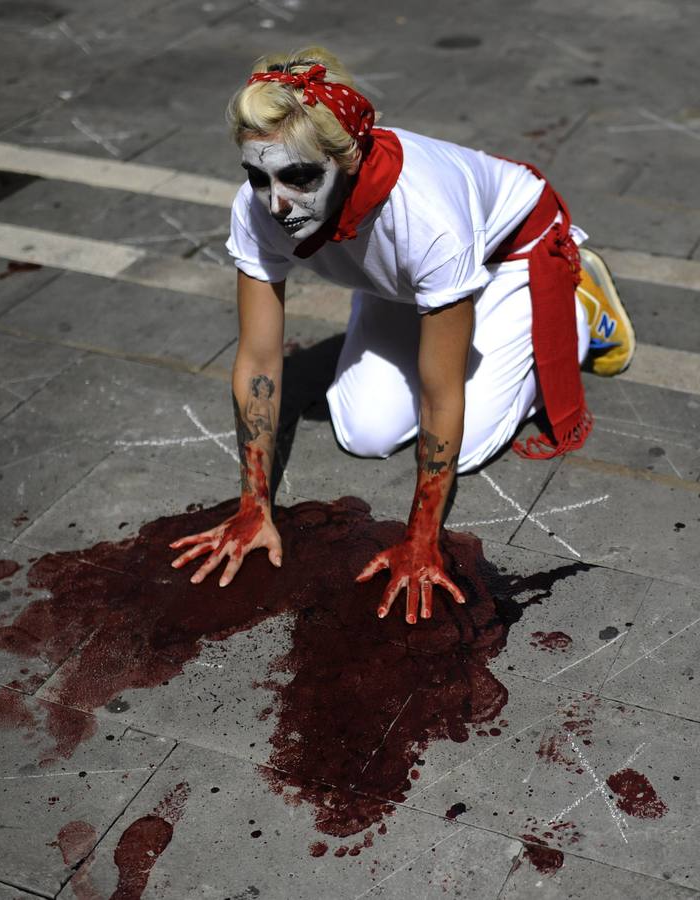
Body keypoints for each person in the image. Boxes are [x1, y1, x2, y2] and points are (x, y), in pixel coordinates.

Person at [168, 47, 633, 624]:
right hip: (401, 277)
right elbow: (260, 357)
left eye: (299, 176)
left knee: (474, 440)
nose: (276, 202)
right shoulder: (259, 205)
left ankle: (575, 299)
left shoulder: (428, 217)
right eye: (257, 176)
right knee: (364, 432)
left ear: (351, 156)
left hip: (509, 250)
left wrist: (422, 537)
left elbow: (442, 392)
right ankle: (424, 296)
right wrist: (252, 506)